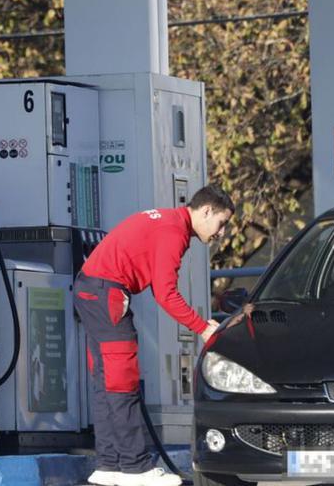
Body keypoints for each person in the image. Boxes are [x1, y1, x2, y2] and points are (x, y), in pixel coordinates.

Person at [74, 185, 234, 486]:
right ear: (206, 211)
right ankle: (136, 468)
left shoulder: (168, 221)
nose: (221, 233)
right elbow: (165, 294)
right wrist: (202, 327)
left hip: (91, 289)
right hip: (105, 292)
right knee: (122, 382)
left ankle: (109, 465)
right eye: (221, 223)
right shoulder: (173, 232)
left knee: (106, 383)